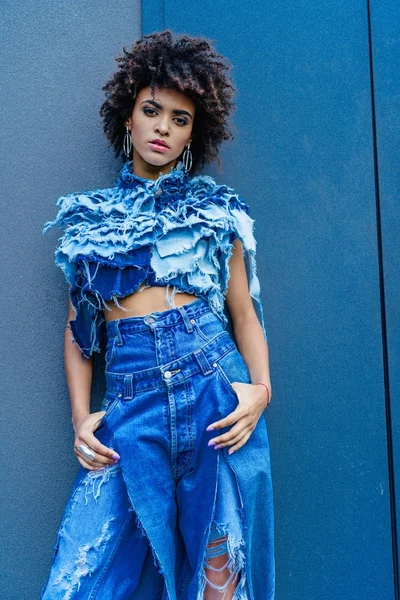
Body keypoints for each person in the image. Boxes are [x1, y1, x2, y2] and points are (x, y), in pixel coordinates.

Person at [40, 29, 275, 600]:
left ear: (195, 131)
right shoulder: (90, 223)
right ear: (128, 118)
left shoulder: (218, 214)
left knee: (223, 579)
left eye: (180, 118)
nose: (163, 128)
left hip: (214, 394)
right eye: (151, 111)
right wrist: (79, 418)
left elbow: (243, 314)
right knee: (81, 579)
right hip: (131, 402)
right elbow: (79, 336)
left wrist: (261, 389)